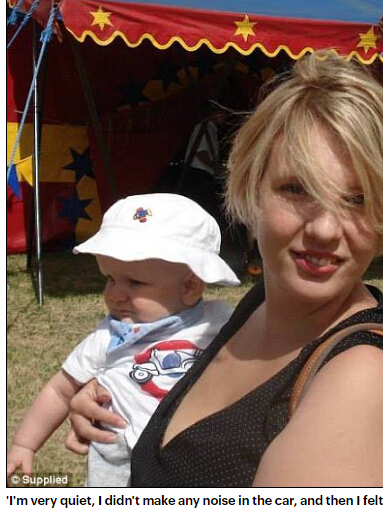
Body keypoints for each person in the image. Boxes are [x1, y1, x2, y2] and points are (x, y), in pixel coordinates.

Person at [67, 51, 383, 487]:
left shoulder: (361, 381)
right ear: (251, 186)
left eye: (357, 199)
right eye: (296, 189)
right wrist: (119, 396)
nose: (324, 229)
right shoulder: (260, 305)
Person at [6, 193, 240, 487]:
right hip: (118, 466)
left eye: (135, 282)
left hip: (192, 463)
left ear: (190, 287)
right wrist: (24, 445)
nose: (115, 294)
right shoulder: (109, 337)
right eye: (110, 278)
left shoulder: (218, 324)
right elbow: (60, 391)